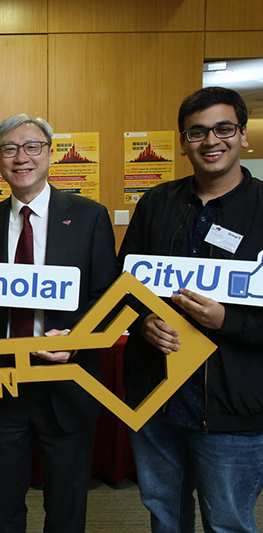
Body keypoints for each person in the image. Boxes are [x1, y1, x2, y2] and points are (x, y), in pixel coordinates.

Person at [119, 87, 263, 533]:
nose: (211, 140)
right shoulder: (156, 203)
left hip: (231, 405)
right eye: (197, 132)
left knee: (227, 523)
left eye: (223, 129)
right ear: (183, 143)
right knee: (164, 517)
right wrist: (143, 321)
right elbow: (124, 289)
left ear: (243, 136)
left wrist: (227, 320)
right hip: (156, 397)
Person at [0, 114, 117, 533]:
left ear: (50, 154)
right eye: (9, 149)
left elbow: (107, 296)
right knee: (2, 509)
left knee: (66, 510)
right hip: (3, 382)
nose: (22, 158)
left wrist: (77, 337)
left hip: (66, 382)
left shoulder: (89, 216)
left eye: (32, 147)